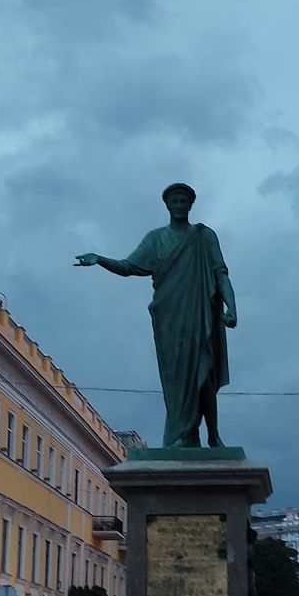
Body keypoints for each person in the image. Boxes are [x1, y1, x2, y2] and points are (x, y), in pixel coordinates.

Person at [75, 182, 238, 449]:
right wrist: (100, 259)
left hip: (199, 314)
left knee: (204, 373)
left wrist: (232, 307)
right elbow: (129, 266)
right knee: (174, 379)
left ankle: (213, 435)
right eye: (174, 201)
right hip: (168, 318)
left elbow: (221, 273)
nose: (179, 205)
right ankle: (182, 436)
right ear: (167, 204)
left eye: (183, 201)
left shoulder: (204, 236)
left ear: (190, 205)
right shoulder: (155, 239)